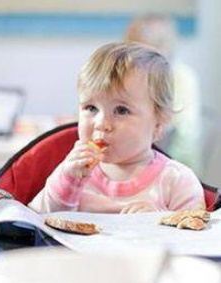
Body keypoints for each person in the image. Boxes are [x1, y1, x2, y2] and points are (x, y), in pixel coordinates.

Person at [29, 42, 204, 213]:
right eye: (91, 108)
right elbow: (33, 220)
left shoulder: (177, 182)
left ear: (159, 124)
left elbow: (194, 238)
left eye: (121, 110)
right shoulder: (72, 172)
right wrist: (66, 181)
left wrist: (157, 223)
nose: (101, 124)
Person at [125, 14, 203, 175]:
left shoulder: (181, 77)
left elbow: (180, 132)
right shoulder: (134, 76)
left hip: (177, 164)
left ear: (167, 48)